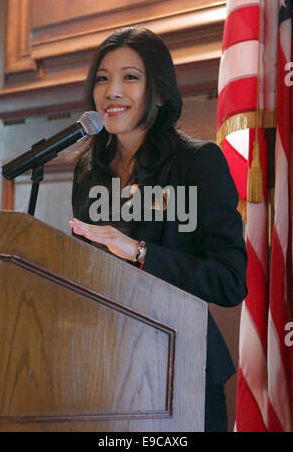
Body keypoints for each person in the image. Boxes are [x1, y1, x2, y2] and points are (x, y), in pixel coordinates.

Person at [69, 26, 247, 432]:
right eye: (102, 78)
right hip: (103, 373)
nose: (112, 90)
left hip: (180, 372)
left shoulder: (197, 163)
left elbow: (230, 281)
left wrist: (140, 252)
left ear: (161, 93)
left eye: (130, 77)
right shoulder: (88, 172)